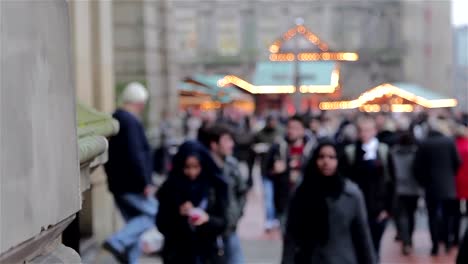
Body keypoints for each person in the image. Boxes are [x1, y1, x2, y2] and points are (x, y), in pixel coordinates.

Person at [282, 142, 376, 264]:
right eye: (321, 157)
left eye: (332, 157)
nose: (326, 162)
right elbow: (291, 236)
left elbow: (362, 237)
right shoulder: (302, 193)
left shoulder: (351, 194)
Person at [103, 82, 157, 263]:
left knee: (134, 223)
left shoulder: (116, 119)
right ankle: (117, 241)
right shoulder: (130, 121)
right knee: (154, 214)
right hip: (133, 184)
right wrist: (145, 182)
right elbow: (136, 155)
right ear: (140, 103)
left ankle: (128, 257)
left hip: (118, 183)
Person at [156, 141, 228, 264]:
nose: (192, 173)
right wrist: (177, 213)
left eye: (196, 167)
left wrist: (207, 219)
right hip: (178, 254)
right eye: (187, 167)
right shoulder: (170, 187)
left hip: (207, 253)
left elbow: (224, 223)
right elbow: (161, 224)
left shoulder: (215, 187)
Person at [343, 116, 393, 256]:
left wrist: (387, 209)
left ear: (374, 131)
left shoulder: (383, 151)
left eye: (367, 130)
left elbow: (391, 181)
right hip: (357, 208)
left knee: (374, 247)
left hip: (378, 209)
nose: (364, 134)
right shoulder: (351, 152)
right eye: (361, 130)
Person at [200, 124, 248, 264]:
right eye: (227, 140)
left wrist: (236, 213)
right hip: (208, 231)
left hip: (229, 229)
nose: (231, 145)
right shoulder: (202, 167)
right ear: (214, 145)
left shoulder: (232, 165)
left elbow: (241, 191)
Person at [413, 118, 461, 255]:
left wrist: (423, 182)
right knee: (447, 216)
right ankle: (447, 242)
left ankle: (435, 245)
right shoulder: (449, 142)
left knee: (432, 216)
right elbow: (457, 162)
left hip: (431, 186)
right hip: (448, 185)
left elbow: (417, 167)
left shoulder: (424, 143)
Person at [265, 115, 316, 230]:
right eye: (289, 127)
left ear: (303, 130)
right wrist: (274, 170)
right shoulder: (278, 147)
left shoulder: (312, 148)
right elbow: (266, 172)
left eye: (295, 128)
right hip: (284, 200)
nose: (291, 131)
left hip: (306, 201)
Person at [389, 131, 422, 255]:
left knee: (402, 215)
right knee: (411, 214)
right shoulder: (415, 152)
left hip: (399, 188)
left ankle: (406, 239)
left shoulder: (394, 152)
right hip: (413, 188)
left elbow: (391, 171)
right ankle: (409, 239)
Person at [254, 114, 283, 231]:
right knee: (268, 197)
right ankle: (269, 219)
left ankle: (276, 218)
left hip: (278, 172)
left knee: (277, 196)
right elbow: (254, 149)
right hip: (265, 170)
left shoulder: (281, 132)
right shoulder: (260, 134)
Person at [454, 122, 468, 246]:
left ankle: (455, 237)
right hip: (466, 182)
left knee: (455, 213)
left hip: (455, 182)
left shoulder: (453, 145)